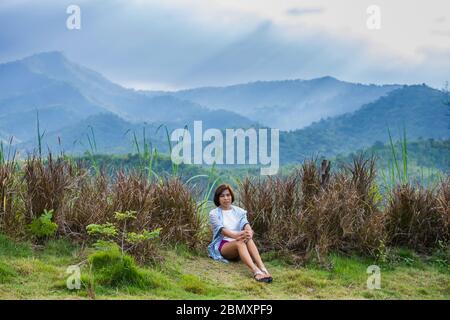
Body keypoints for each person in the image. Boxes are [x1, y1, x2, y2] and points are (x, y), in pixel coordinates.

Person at [207, 184, 273, 283]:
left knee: (248, 238)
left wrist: (249, 232)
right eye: (222, 196)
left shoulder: (239, 211)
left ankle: (263, 268)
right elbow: (223, 230)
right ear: (218, 198)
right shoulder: (214, 213)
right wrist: (239, 235)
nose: (226, 198)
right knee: (240, 241)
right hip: (224, 245)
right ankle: (256, 271)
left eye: (228, 195)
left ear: (231, 196)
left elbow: (245, 223)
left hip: (239, 244)